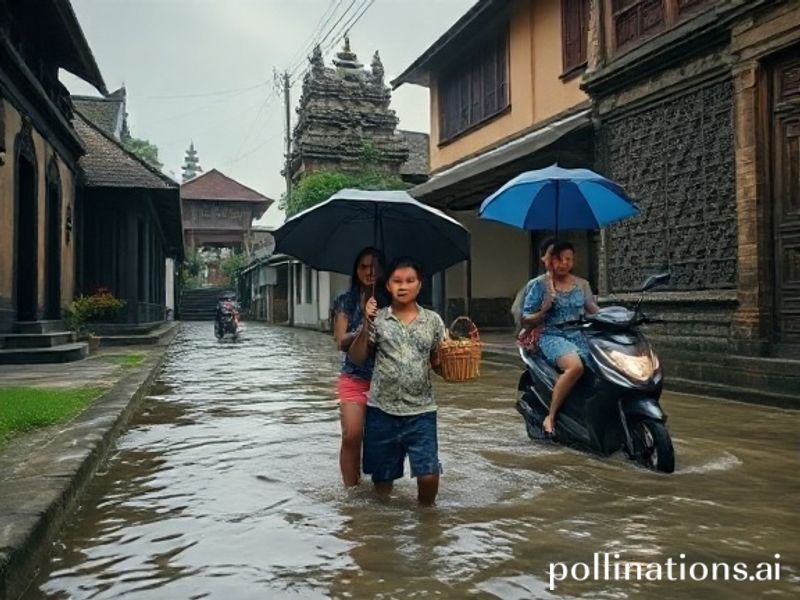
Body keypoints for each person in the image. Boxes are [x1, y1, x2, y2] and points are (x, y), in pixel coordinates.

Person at [348, 257, 446, 506]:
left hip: (422, 410)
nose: (403, 286)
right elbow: (357, 357)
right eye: (397, 281)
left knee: (428, 475)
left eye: (410, 281)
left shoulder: (433, 321)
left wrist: (452, 360)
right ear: (388, 286)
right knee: (382, 482)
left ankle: (427, 521)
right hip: (382, 410)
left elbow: (438, 363)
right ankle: (381, 530)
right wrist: (366, 322)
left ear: (420, 285)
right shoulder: (378, 319)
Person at [521, 240, 599, 435]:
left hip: (579, 335)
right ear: (550, 260)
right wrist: (545, 309)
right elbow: (525, 318)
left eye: (568, 259)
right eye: (559, 259)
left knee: (604, 366)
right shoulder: (540, 285)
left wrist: (621, 317)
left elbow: (594, 311)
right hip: (552, 335)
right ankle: (551, 416)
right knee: (575, 366)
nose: (564, 263)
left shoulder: (582, 284)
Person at [332, 247, 386, 487]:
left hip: (385, 380)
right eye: (363, 267)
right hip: (354, 377)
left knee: (381, 440)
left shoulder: (392, 300)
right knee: (352, 435)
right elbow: (341, 341)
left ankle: (381, 490)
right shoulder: (347, 301)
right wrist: (365, 324)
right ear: (356, 271)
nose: (369, 271)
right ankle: (351, 492)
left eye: (373, 266)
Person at [510, 236, 556, 328]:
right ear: (543, 258)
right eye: (553, 255)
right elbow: (520, 315)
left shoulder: (578, 285)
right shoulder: (536, 284)